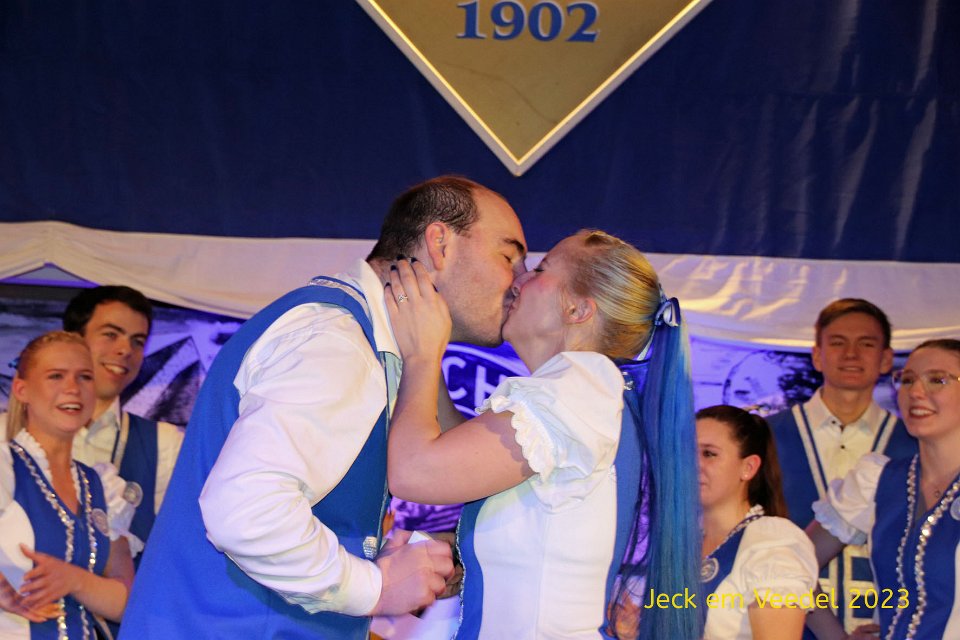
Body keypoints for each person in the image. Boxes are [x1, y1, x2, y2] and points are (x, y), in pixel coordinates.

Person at [120, 175, 525, 639]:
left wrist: (362, 559)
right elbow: (246, 511)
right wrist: (374, 586)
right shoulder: (339, 341)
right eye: (508, 257)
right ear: (440, 243)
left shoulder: (353, 333)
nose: (519, 282)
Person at [383, 229, 703, 639]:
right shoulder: (592, 392)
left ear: (577, 309)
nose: (518, 279)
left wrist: (422, 354)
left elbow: (414, 472)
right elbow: (463, 457)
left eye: (540, 269)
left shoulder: (577, 387)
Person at [766, 299, 917, 635]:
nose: (851, 354)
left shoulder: (916, 445)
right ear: (817, 355)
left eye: (866, 344)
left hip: (888, 628)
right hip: (779, 624)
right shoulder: (766, 437)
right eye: (837, 343)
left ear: (887, 359)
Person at [807, 339, 960, 639]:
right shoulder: (878, 480)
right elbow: (791, 564)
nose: (915, 392)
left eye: (937, 380)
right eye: (907, 380)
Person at [0, 331, 136, 639]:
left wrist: (75, 580)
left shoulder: (102, 486)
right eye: (56, 376)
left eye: (85, 377)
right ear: (21, 389)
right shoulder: (5, 465)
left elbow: (126, 602)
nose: (73, 388)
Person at [61, 286, 184, 555]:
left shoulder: (163, 443)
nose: (126, 350)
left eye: (137, 341)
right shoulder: (10, 431)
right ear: (72, 340)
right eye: (111, 335)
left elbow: (172, 547)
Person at [696, 405, 818, 640]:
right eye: (685, 452)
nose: (692, 464)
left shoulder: (771, 543)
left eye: (709, 454)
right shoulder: (684, 542)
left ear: (748, 467)